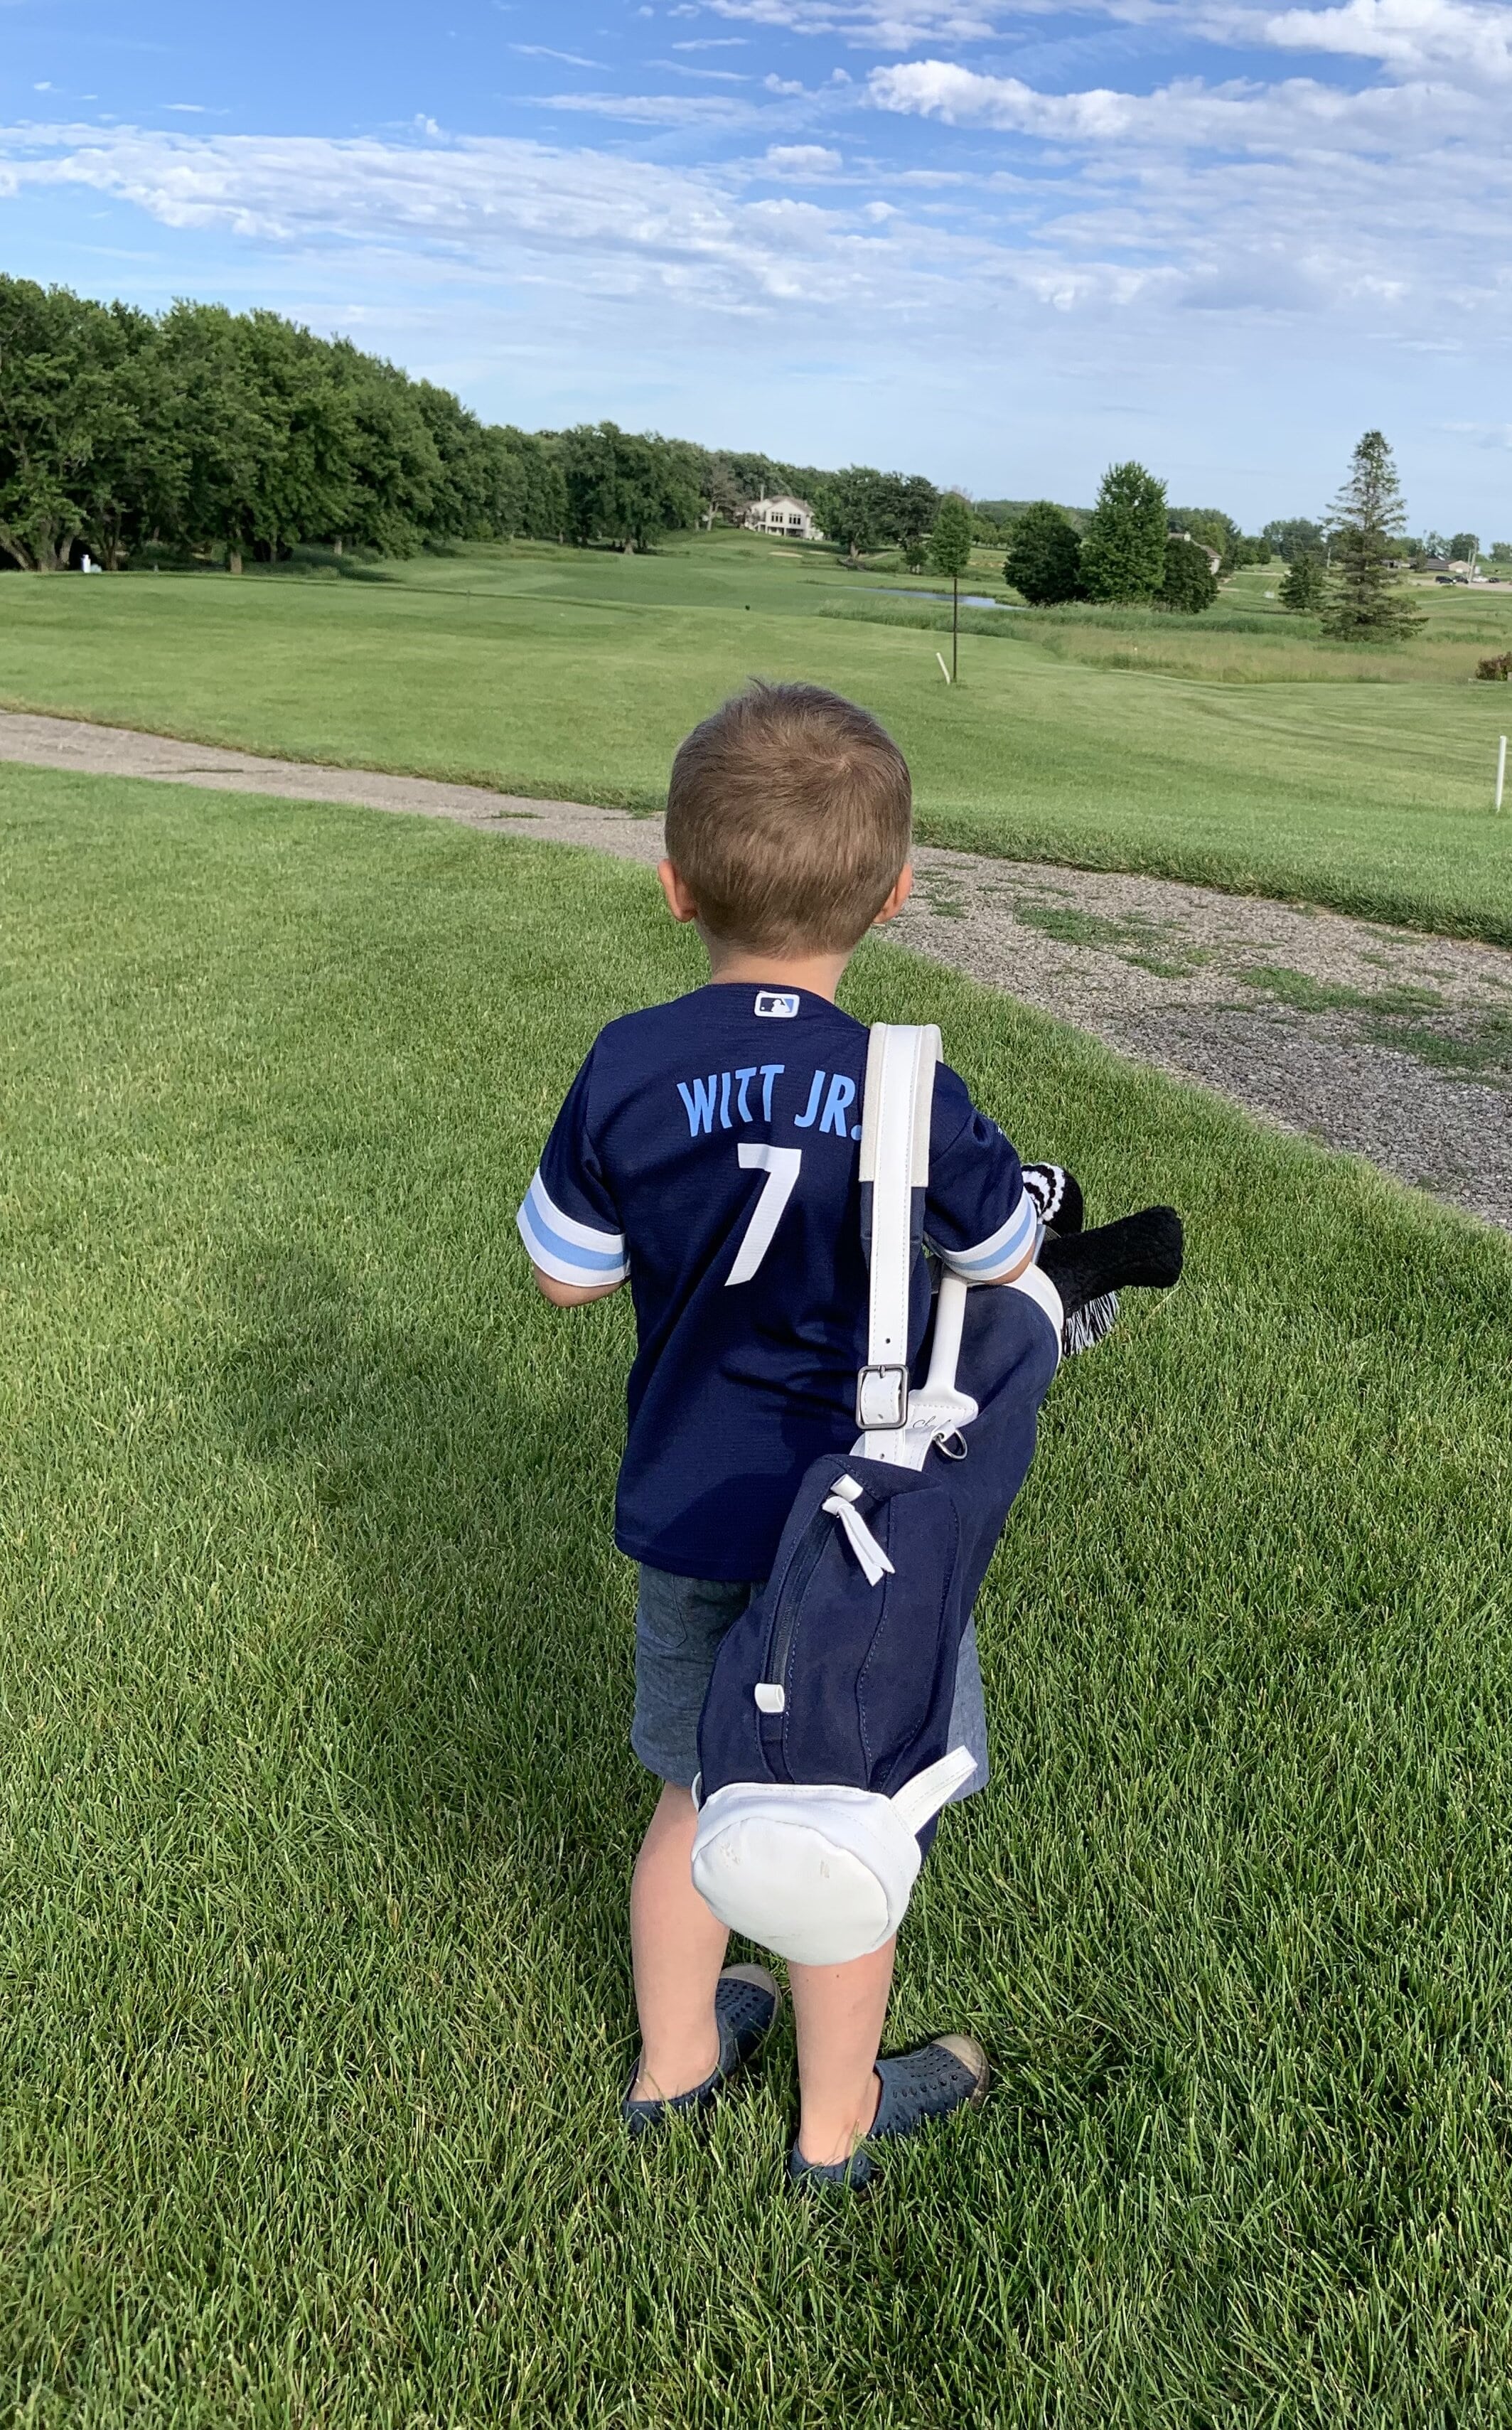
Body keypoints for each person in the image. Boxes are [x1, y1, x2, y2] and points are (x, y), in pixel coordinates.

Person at [518, 682, 1178, 2186]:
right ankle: (836, 2126)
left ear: (675, 881)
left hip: (693, 1502)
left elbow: (565, 1273)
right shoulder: (905, 1085)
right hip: (865, 1527)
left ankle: (674, 2059)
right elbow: (1010, 1256)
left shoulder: (630, 1060)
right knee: (842, 1813)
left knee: (696, 1787)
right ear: (894, 896)